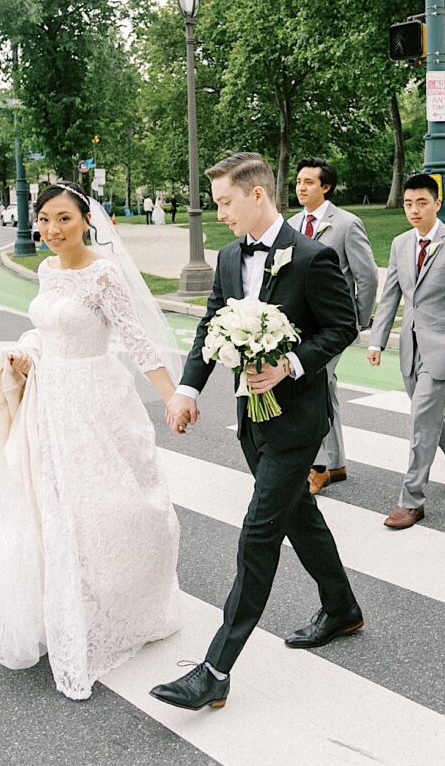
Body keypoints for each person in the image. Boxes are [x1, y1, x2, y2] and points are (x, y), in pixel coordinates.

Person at [0, 183, 183, 700]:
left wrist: (172, 397)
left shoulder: (103, 274)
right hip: (49, 396)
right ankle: (63, 603)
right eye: (43, 219)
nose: (52, 230)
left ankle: (118, 603)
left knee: (109, 505)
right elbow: (46, 331)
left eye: (63, 218)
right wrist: (25, 353)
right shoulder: (45, 271)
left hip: (97, 398)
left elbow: (134, 338)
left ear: (87, 219)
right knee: (50, 504)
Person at [152, 153, 362, 711]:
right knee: (299, 516)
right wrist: (189, 389)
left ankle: (215, 670)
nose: (220, 213)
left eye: (224, 202)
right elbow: (212, 323)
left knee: (258, 534)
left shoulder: (312, 257)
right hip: (252, 418)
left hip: (296, 419)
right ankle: (342, 609)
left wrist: (291, 363)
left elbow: (343, 326)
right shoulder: (227, 258)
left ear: (257, 195)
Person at [368, 173, 445, 528]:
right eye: (408, 203)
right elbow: (391, 296)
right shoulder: (401, 243)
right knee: (432, 416)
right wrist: (377, 339)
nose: (414, 210)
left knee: (421, 421)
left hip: (444, 348)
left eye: (421, 203)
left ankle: (412, 500)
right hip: (410, 347)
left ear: (437, 203)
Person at [292, 157, 380, 496]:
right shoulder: (292, 224)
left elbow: (367, 275)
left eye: (309, 182)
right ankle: (336, 462)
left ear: (325, 187)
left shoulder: (346, 224)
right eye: (299, 181)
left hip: (334, 325)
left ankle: (317, 466)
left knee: (311, 386)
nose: (301, 187)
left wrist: (357, 319)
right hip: (302, 327)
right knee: (323, 388)